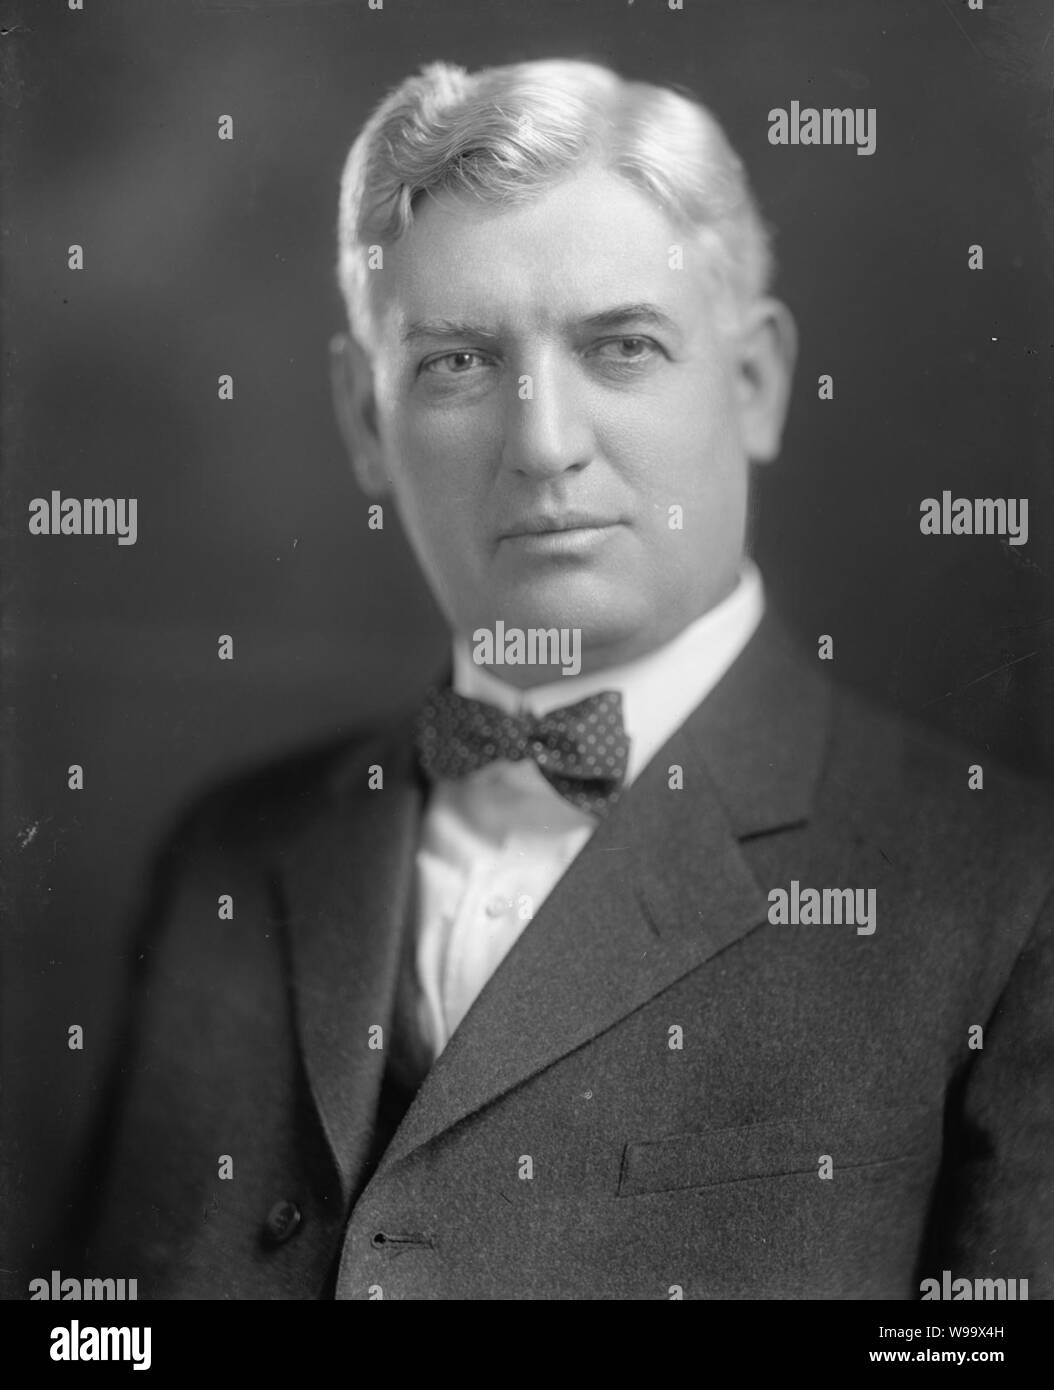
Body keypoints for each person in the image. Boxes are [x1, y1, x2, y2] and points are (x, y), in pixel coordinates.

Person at [67, 57, 1054, 1300]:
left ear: (752, 382)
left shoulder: (1008, 892)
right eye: (456, 363)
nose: (542, 445)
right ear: (366, 421)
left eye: (622, 346)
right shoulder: (225, 853)